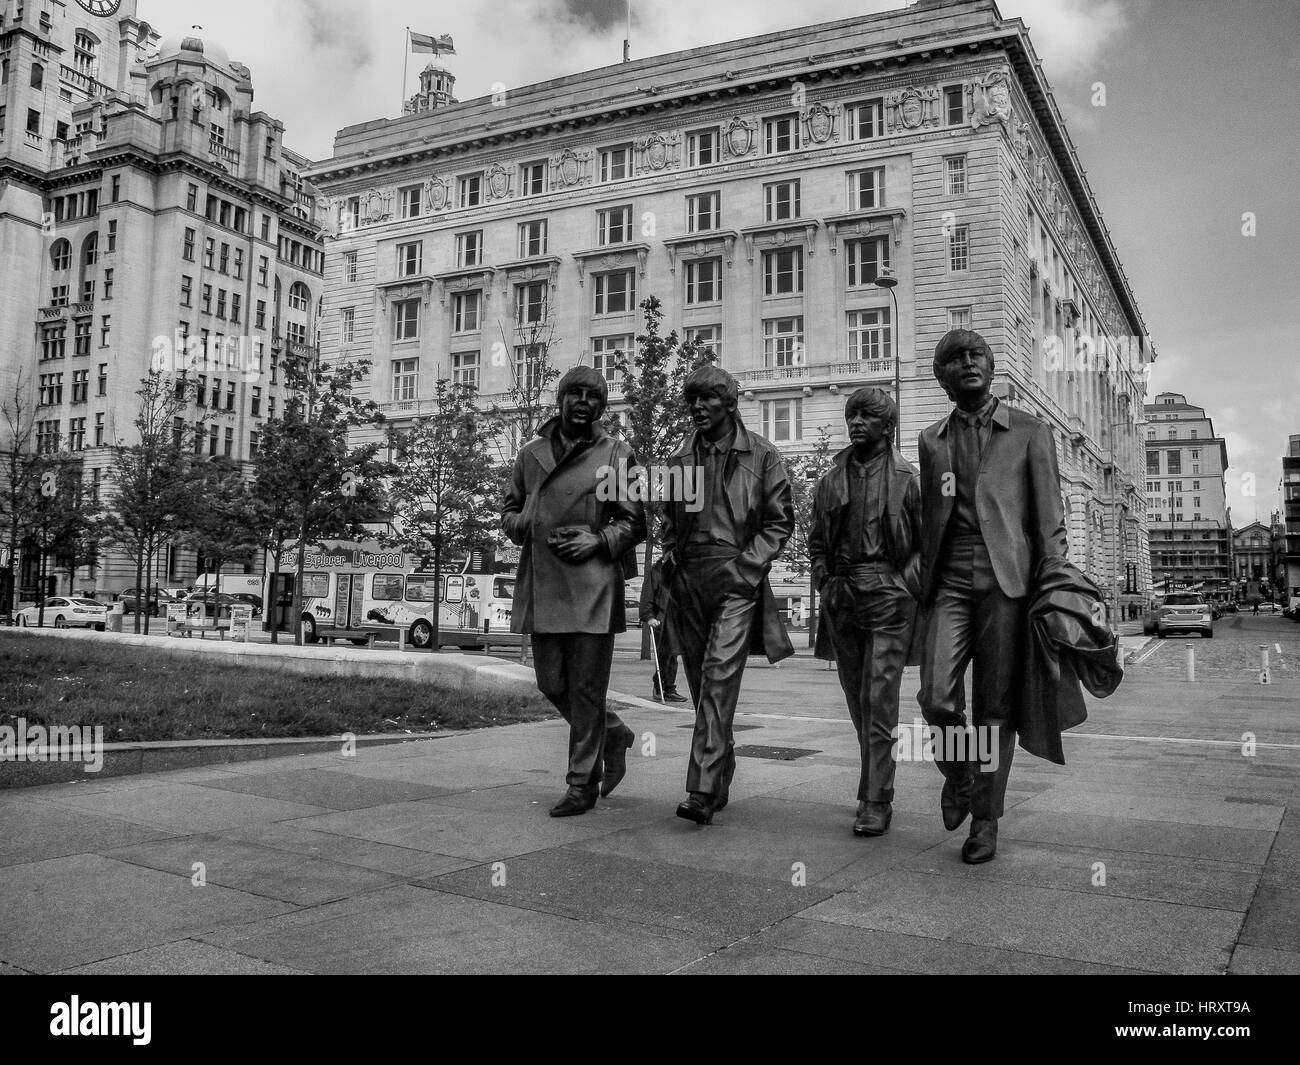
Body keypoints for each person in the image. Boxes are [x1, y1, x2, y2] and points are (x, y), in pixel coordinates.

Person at [916, 329, 1069, 863]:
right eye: (955, 360)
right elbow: (928, 518)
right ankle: (960, 773)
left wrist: (1052, 585)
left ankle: (986, 818)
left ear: (991, 363)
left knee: (995, 708)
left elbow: (1049, 521)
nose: (968, 364)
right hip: (950, 580)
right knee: (936, 696)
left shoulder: (1029, 432)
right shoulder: (930, 440)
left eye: (975, 355)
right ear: (943, 377)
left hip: (1009, 584)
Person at [502, 367, 646, 817]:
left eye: (593, 397)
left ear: (602, 407)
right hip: (544, 582)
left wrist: (598, 540)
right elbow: (509, 509)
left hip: (592, 585)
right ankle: (615, 732)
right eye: (576, 394)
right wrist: (517, 523)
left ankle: (582, 783)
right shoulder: (531, 454)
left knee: (585, 689)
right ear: (560, 399)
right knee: (550, 682)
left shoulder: (618, 454)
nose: (584, 402)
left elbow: (634, 521)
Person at [660, 365, 795, 825]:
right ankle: (720, 766)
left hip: (736, 577)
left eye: (707, 399)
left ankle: (700, 788)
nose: (697, 408)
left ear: (730, 404)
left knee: (719, 679)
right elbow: (669, 520)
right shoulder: (679, 460)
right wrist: (670, 557)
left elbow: (779, 522)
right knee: (702, 687)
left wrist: (747, 567)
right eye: (692, 400)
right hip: (689, 579)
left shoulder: (762, 455)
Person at [810, 388, 922, 837]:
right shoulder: (830, 479)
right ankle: (872, 780)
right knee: (859, 701)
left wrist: (902, 586)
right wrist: (825, 580)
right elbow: (817, 539)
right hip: (843, 595)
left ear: (887, 426)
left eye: (867, 416)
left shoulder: (909, 479)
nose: (856, 423)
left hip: (889, 597)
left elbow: (926, 547)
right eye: (852, 415)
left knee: (879, 698)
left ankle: (876, 798)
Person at [638, 555, 686, 702]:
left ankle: (669, 688)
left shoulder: (678, 572)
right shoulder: (656, 572)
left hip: (675, 618)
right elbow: (647, 595)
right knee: (664, 655)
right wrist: (649, 617)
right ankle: (659, 686)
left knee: (673, 655)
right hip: (660, 620)